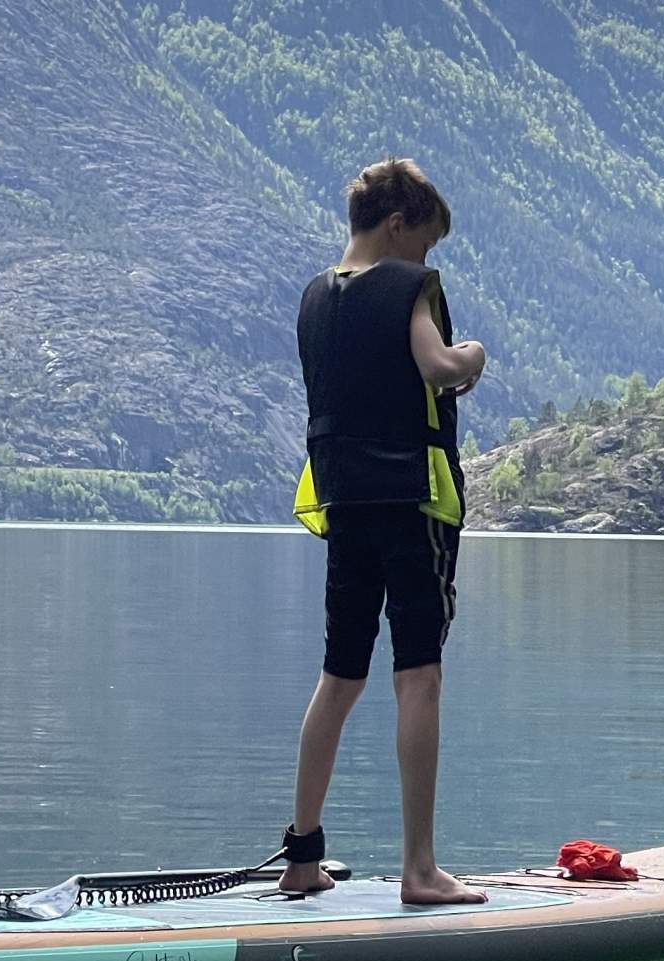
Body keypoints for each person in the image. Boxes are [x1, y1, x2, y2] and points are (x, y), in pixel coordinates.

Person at [278, 158, 488, 905]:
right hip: (411, 501)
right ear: (399, 224)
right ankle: (420, 870)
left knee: (339, 677)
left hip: (342, 504)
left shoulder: (313, 298)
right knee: (418, 676)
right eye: (426, 241)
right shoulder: (411, 288)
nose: (427, 259)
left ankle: (301, 858)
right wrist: (474, 357)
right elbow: (435, 367)